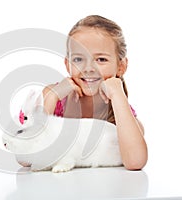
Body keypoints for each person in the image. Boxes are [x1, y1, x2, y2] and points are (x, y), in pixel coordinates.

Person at [42, 15, 147, 170]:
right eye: (78, 59)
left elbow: (135, 162)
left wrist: (118, 95)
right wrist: (51, 97)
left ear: (121, 66)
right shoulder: (54, 98)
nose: (89, 68)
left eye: (101, 60)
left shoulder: (120, 110)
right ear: (67, 64)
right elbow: (25, 159)